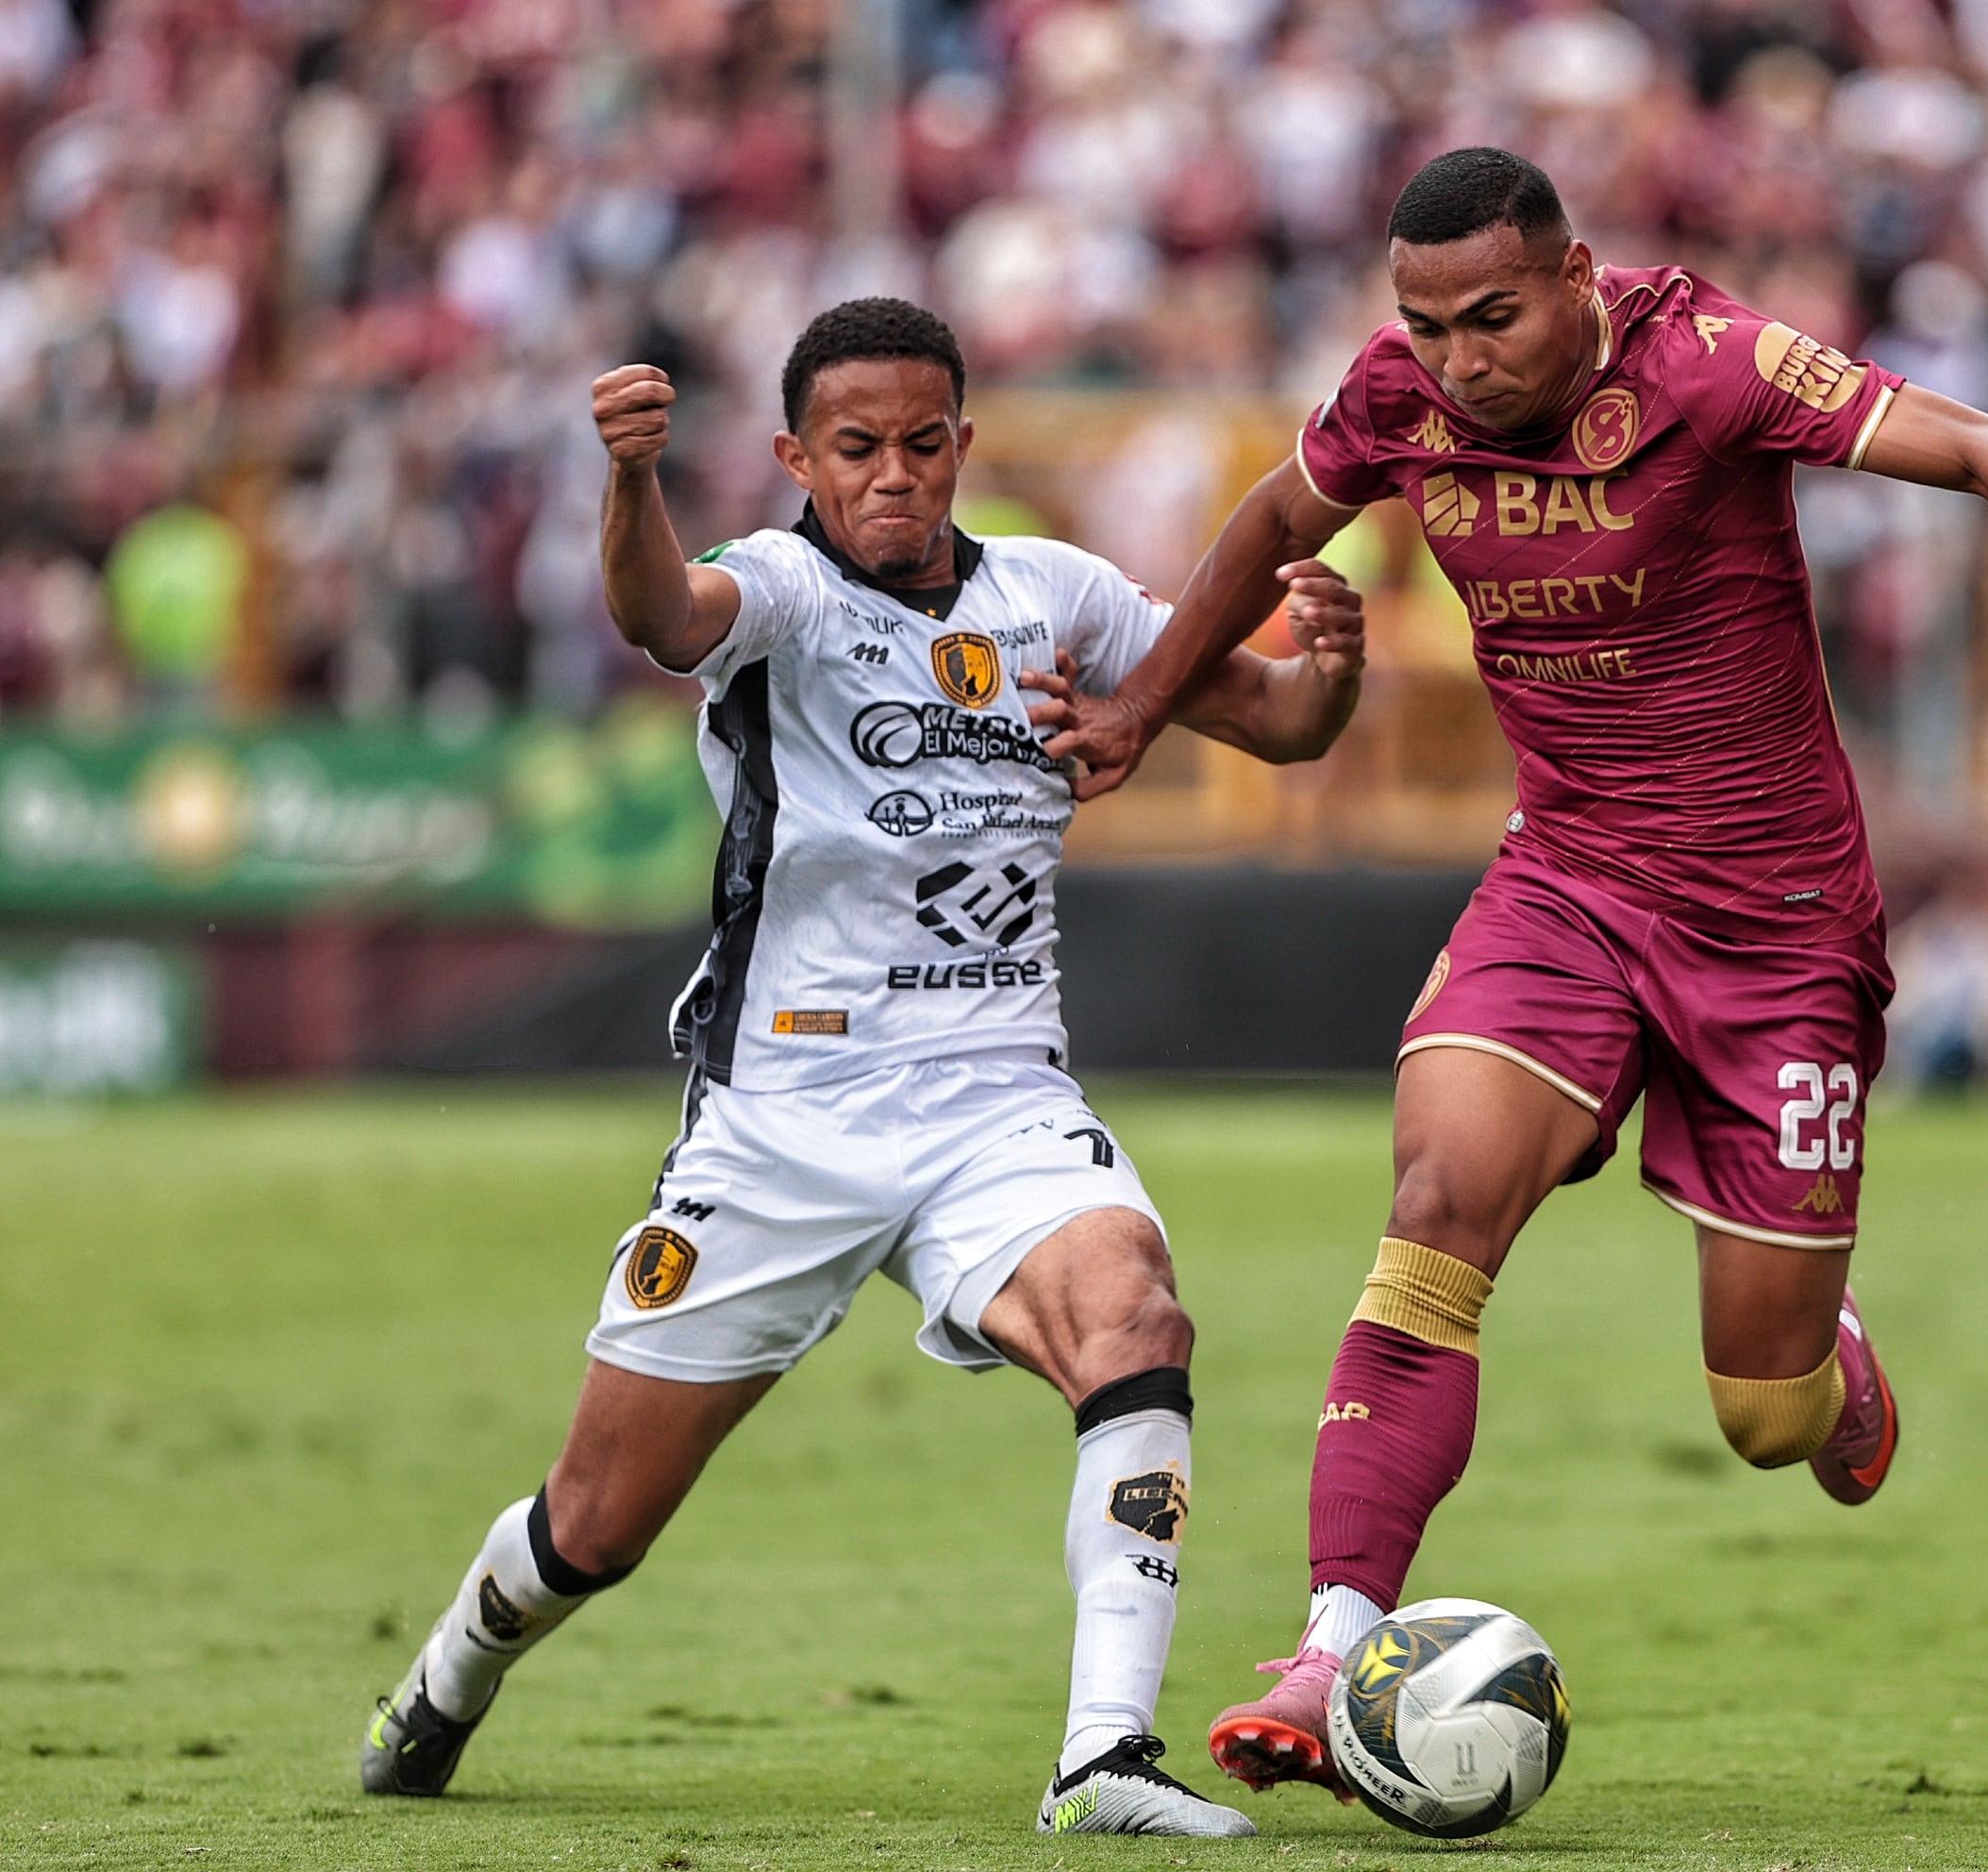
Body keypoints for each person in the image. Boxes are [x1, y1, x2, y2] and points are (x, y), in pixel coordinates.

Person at [1044, 148, 1988, 1798]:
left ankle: (1825, 1355)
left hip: (1775, 932)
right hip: (1570, 882)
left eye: (1492, 319)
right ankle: (1337, 1641)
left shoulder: (1714, 363)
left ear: (1578, 278)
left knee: (1762, 1419)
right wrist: (1143, 706)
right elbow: (1274, 517)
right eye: (1426, 324)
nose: (1460, 361)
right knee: (1435, 1207)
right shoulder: (1399, 397)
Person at [359, 296, 1368, 1838]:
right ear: (794, 457)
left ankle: (1104, 1758)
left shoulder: (1057, 595)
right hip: (783, 1120)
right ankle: (450, 1674)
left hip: (999, 1098)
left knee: (1137, 1316)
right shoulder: (779, 591)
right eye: (855, 449)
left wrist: (1334, 670)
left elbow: (1282, 724)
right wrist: (631, 479)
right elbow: (660, 616)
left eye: (920, 444)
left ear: (964, 443)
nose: (892, 476)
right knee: (595, 1526)